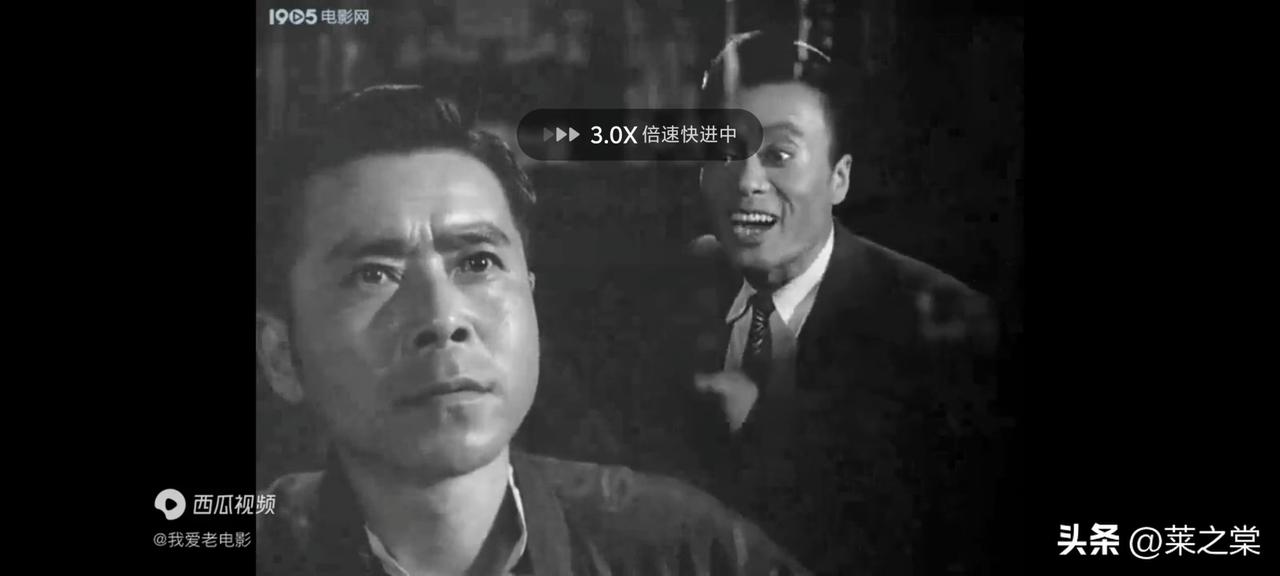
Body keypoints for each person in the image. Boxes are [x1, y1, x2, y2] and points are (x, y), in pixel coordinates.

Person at [254, 85, 809, 576]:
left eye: (478, 263)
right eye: (373, 274)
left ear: (531, 298)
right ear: (280, 357)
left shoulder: (687, 552)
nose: (443, 319)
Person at [648, 32, 1007, 575]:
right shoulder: (670, 291)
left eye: (779, 155)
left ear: (839, 179)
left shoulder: (948, 331)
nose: (747, 181)